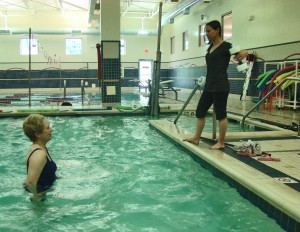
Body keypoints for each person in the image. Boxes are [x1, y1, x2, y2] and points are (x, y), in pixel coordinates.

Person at [184, 20, 248, 150]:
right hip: (209, 85)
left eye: (208, 31)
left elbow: (244, 52)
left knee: (221, 114)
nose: (206, 34)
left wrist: (243, 54)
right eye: (205, 31)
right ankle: (196, 138)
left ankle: (221, 142)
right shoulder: (210, 47)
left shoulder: (226, 46)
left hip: (221, 85)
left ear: (217, 30)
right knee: (200, 111)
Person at [23, 114, 57, 201]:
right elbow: (30, 183)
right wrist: (38, 199)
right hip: (40, 198)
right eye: (47, 127)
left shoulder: (42, 148)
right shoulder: (39, 154)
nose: (51, 129)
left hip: (45, 192)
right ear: (38, 134)